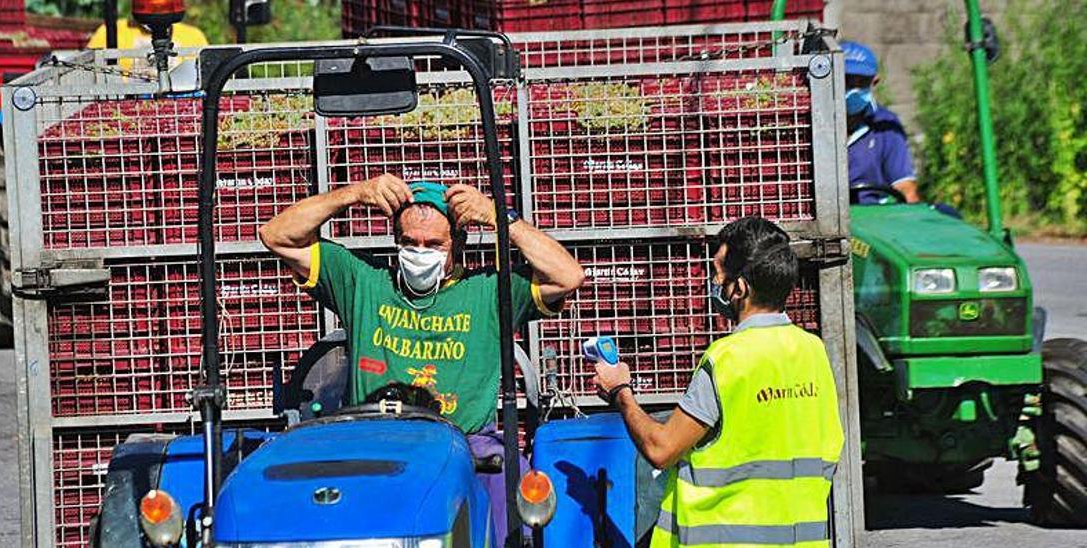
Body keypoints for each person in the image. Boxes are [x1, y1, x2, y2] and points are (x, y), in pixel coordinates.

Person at [260, 174, 584, 531]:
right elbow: (276, 235)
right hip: (378, 443)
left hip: (468, 447)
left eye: (434, 244)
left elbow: (567, 275)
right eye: (409, 242)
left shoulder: (488, 291)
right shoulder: (363, 281)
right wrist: (354, 193)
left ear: (457, 243)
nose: (420, 252)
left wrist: (498, 216)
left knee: (514, 499)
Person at [592, 216, 844, 548]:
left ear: (740, 289)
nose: (713, 283)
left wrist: (620, 392)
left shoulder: (728, 358)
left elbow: (660, 448)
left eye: (718, 275)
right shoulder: (813, 351)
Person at [842, 40, 921, 204]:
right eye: (847, 81)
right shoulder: (814, 126)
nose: (853, 90)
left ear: (873, 82)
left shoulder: (885, 126)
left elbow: (905, 187)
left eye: (861, 82)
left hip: (874, 214)